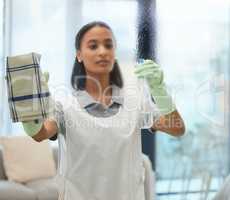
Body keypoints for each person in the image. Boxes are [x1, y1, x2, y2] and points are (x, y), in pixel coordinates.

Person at [22, 21, 185, 200]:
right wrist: (30, 113)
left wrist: (159, 91)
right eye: (93, 46)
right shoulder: (65, 104)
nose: (102, 51)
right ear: (79, 55)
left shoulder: (134, 101)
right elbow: (41, 133)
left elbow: (176, 128)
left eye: (108, 45)